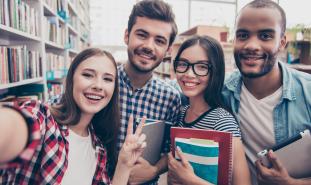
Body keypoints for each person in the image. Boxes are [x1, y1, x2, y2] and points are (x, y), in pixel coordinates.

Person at [0, 48, 147, 185]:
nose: (98, 86)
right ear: (71, 79)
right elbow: (17, 125)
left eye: (107, 79)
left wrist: (124, 165)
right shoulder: (43, 119)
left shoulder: (98, 147)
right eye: (88, 75)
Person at [222, 0, 311, 185]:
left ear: (282, 42)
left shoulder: (307, 92)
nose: (251, 45)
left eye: (265, 36)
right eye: (243, 35)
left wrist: (291, 183)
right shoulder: (221, 92)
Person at [167, 35, 251, 185]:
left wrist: (190, 180)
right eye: (183, 64)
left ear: (215, 72)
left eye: (202, 67)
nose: (189, 74)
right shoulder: (181, 113)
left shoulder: (222, 122)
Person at [117, 0, 181, 184]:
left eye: (159, 41)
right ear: (127, 35)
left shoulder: (171, 98)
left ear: (168, 49)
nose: (149, 46)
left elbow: (172, 150)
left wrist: (154, 170)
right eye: (142, 35)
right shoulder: (103, 84)